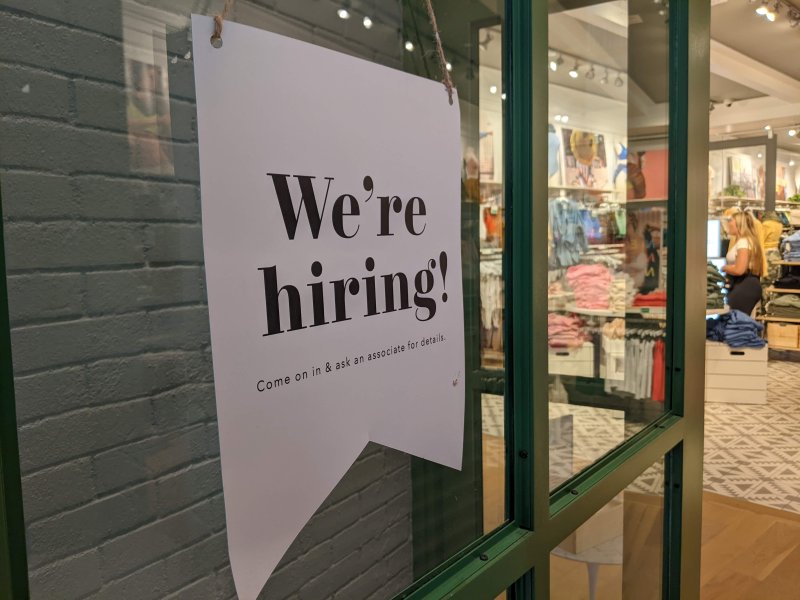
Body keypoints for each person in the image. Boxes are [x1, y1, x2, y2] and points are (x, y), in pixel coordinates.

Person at [722, 210, 765, 315]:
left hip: (745, 286)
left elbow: (739, 269)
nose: (728, 224)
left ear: (739, 223)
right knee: (739, 323)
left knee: (734, 322)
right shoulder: (747, 240)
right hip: (746, 285)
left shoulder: (743, 242)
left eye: (730, 221)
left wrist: (723, 268)